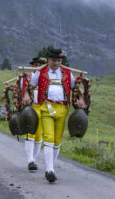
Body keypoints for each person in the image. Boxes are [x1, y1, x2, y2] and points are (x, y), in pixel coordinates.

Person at [23, 48, 85, 183]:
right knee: (49, 137)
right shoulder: (40, 73)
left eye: (58, 60)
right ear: (48, 60)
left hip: (62, 109)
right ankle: (49, 169)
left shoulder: (68, 74)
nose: (56, 63)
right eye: (53, 60)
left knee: (57, 140)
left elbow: (75, 88)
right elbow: (30, 86)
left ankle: (51, 167)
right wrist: (27, 95)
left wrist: (81, 98)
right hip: (46, 108)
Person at [21, 57, 46, 171]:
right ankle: (30, 159)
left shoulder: (46, 77)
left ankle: (33, 160)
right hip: (32, 108)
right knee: (30, 133)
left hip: (43, 107)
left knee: (39, 135)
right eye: (35, 65)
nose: (37, 67)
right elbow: (22, 91)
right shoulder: (27, 77)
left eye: (40, 65)